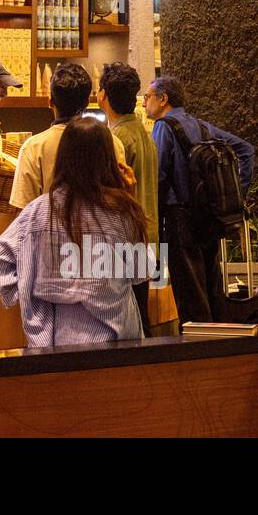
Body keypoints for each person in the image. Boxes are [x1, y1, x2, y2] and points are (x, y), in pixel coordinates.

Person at [0, 117, 150, 347]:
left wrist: (28, 290)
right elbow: (141, 272)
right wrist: (130, 198)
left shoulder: (39, 211)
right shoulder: (120, 212)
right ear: (108, 158)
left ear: (63, 157)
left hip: (54, 340)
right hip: (115, 338)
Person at [145, 75, 255, 324]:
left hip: (180, 219)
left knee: (190, 296)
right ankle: (219, 347)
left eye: (148, 97)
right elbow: (246, 149)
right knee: (211, 289)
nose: (144, 103)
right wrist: (237, 194)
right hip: (209, 218)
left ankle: (199, 353)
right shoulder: (202, 127)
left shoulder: (164, 126)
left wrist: (152, 217)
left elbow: (159, 175)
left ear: (163, 99)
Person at [98, 62, 162, 335]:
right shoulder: (143, 133)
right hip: (147, 237)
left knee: (128, 323)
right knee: (140, 317)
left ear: (104, 95)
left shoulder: (118, 138)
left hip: (126, 241)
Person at [10, 63, 125, 210]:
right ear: (87, 102)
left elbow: (23, 211)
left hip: (49, 232)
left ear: (50, 101)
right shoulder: (113, 142)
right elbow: (121, 202)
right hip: (100, 232)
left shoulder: (33, 148)